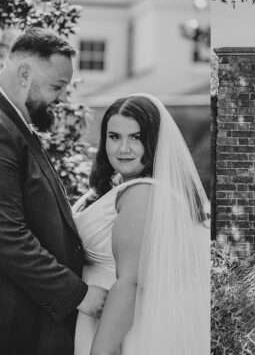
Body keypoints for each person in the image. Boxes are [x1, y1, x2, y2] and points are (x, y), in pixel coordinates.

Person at [0, 28, 106, 355]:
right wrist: (78, 295)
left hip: (13, 319)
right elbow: (7, 234)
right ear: (24, 73)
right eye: (56, 87)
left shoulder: (5, 118)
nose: (60, 99)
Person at [72, 94, 210, 355]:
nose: (123, 148)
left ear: (153, 141)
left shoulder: (141, 193)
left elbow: (130, 283)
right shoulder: (123, 189)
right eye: (114, 137)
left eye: (136, 137)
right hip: (101, 321)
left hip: (116, 332)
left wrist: (100, 352)